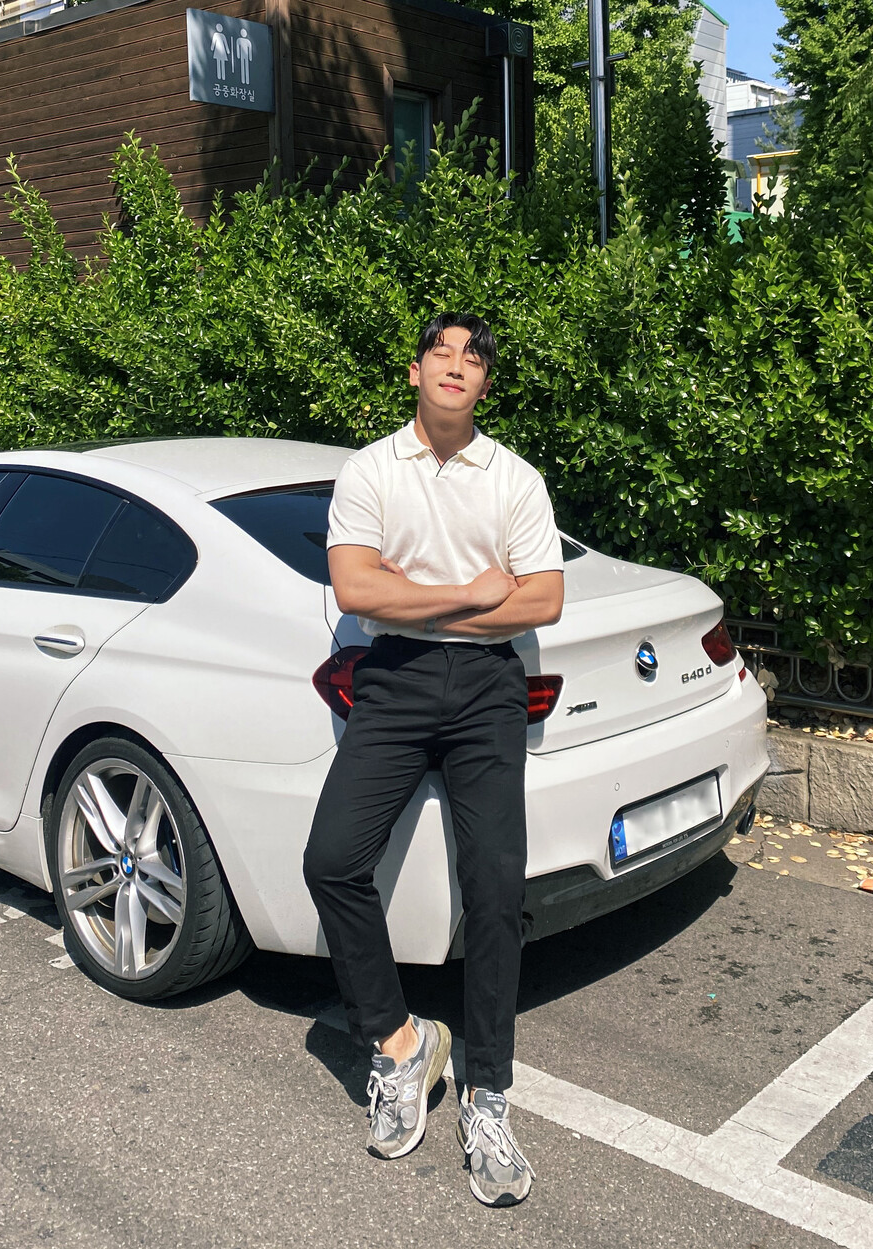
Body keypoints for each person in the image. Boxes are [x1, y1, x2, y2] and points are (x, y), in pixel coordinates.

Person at [303, 312, 564, 1206]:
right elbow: (354, 587)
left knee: (495, 886)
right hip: (395, 679)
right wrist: (471, 593)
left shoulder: (514, 479)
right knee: (332, 860)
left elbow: (543, 598)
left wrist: (418, 598)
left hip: (489, 685)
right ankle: (401, 1044)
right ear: (416, 371)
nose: (457, 365)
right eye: (442, 352)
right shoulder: (371, 470)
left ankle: (488, 1095)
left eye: (474, 358)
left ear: (484, 384)